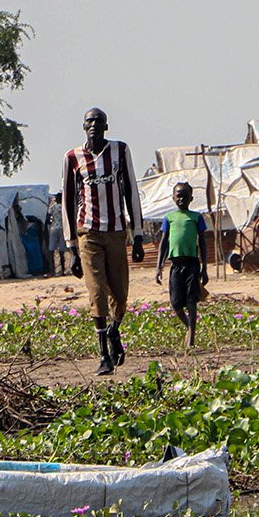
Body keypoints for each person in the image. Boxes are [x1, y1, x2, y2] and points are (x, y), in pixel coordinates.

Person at [62, 107, 145, 375]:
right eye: (90, 121)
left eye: (99, 121)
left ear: (106, 127)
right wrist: (71, 246)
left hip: (117, 232)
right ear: (83, 126)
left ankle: (113, 332)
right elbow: (67, 201)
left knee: (120, 295)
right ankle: (103, 356)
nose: (94, 125)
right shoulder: (73, 157)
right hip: (88, 233)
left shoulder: (120, 151)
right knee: (97, 292)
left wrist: (139, 234)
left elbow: (131, 189)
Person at [153, 181, 208, 348]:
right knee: (176, 303)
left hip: (192, 263)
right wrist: (158, 267)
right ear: (173, 198)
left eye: (185, 196)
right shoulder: (169, 218)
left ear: (191, 198)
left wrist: (204, 268)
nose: (182, 199)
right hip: (175, 265)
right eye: (179, 196)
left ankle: (191, 340)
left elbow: (203, 243)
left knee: (191, 301)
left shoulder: (196, 217)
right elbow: (163, 243)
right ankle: (190, 328)